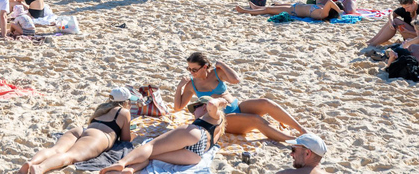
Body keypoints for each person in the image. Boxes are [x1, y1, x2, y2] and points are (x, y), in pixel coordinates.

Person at [173, 53, 306, 143]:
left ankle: (302, 130)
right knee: (256, 120)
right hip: (224, 119)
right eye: (189, 69)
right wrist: (180, 87)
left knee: (267, 103)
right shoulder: (191, 84)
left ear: (205, 67)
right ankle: (293, 140)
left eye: (194, 70)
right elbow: (178, 107)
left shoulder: (217, 73)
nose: (191, 73)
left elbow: (236, 80)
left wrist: (222, 64)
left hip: (238, 107)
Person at [99, 95, 225, 173]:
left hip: (196, 135)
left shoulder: (213, 115)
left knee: (150, 146)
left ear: (203, 107)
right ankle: (129, 170)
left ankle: (121, 163)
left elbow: (212, 104)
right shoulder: (217, 129)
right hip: (195, 156)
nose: (194, 112)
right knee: (152, 155)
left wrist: (220, 100)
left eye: (195, 107)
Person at [20, 88, 134, 174]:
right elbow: (125, 140)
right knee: (71, 156)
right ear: (125, 102)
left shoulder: (102, 107)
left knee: (55, 149)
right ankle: (40, 168)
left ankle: (31, 162)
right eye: (130, 101)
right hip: (98, 136)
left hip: (81, 130)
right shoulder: (123, 112)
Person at [236, 0, 343, 21]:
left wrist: (339, 10)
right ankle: (256, 8)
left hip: (293, 11)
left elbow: (329, 2)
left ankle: (245, 11)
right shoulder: (323, 10)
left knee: (268, 9)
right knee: (270, 8)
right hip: (295, 6)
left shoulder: (323, 14)